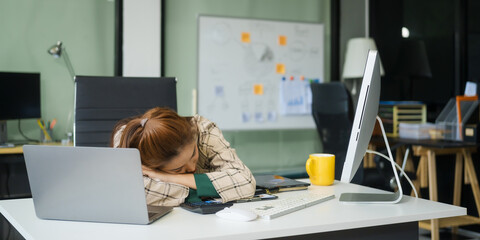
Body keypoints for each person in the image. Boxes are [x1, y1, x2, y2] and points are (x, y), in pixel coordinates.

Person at [111, 107, 256, 206]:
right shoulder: (128, 142)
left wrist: (169, 177)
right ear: (150, 164)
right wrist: (209, 191)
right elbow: (128, 192)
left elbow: (245, 181)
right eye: (179, 168)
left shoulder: (203, 130)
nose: (192, 167)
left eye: (193, 154)